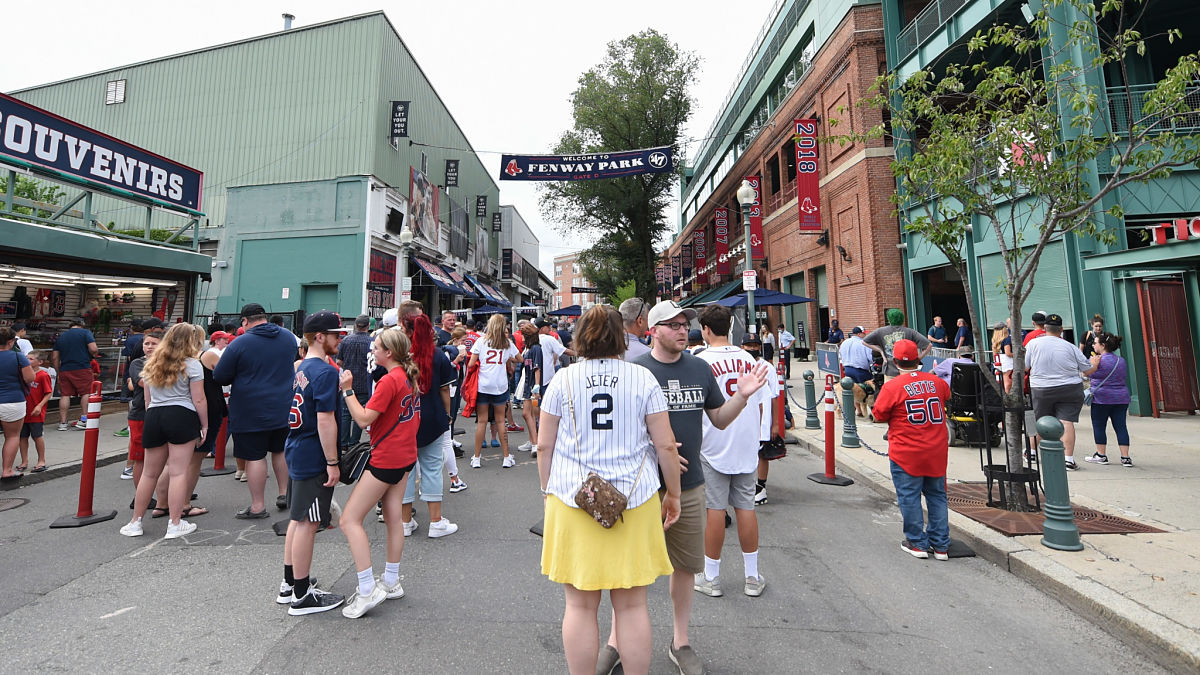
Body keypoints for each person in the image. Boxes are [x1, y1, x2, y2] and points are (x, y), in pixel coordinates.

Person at [591, 299, 768, 675]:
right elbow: (619, 430)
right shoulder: (636, 371)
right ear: (652, 330)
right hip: (641, 488)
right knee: (629, 569)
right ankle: (616, 641)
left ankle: (680, 641)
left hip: (689, 486)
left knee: (685, 567)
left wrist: (741, 396)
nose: (682, 330)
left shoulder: (700, 368)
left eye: (685, 324)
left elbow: (718, 419)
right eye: (672, 325)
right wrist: (661, 453)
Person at [536, 305, 682, 675]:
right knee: (631, 606)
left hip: (574, 497)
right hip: (634, 499)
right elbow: (666, 446)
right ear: (621, 337)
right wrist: (674, 494)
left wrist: (547, 490)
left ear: (579, 337)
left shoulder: (563, 380)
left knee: (579, 605)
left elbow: (544, 445)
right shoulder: (643, 379)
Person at [339, 327, 422, 619]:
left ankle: (367, 588)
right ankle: (391, 580)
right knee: (393, 518)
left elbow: (363, 419)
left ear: (389, 352)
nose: (372, 351)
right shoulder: (408, 376)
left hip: (387, 457)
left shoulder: (390, 380)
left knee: (349, 520)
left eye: (376, 347)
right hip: (405, 455)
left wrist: (348, 390)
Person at [693, 304, 773, 600]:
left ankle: (711, 576)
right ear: (729, 327)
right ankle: (751, 576)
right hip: (745, 443)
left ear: (705, 329)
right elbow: (761, 404)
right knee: (746, 508)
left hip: (713, 442)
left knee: (715, 510)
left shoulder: (700, 361)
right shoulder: (749, 359)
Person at [278, 310, 347, 615]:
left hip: (296, 446)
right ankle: (302, 594)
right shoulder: (326, 371)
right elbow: (325, 419)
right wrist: (332, 462)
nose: (339, 340)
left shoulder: (302, 365)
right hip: (312, 451)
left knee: (298, 518)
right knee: (309, 522)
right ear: (319, 337)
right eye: (335, 335)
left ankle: (290, 582)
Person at [120, 323, 207, 539]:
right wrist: (204, 425)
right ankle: (175, 523)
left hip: (154, 416)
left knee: (149, 473)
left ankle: (135, 521)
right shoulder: (192, 365)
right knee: (178, 472)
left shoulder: (152, 363)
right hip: (182, 414)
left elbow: (147, 400)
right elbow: (198, 399)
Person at [213, 303, 299, 519]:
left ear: (244, 321)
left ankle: (258, 506)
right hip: (283, 405)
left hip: (250, 409)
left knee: (255, 457)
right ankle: (284, 494)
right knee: (280, 451)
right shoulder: (288, 337)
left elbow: (220, 376)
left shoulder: (240, 343)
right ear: (264, 317)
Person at [872, 339, 952, 560]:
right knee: (937, 496)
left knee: (909, 496)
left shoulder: (892, 386)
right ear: (918, 359)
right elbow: (946, 396)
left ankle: (917, 542)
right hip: (936, 449)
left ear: (895, 362)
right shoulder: (936, 382)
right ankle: (941, 545)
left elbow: (878, 414)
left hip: (906, 450)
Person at [397, 313, 458, 538]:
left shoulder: (400, 356)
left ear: (408, 331)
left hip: (404, 418)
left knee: (405, 471)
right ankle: (436, 522)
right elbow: (445, 389)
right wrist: (448, 414)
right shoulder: (438, 355)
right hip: (432, 417)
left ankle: (405, 522)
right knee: (432, 468)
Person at [1025, 314, 1092, 471]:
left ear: (1045, 328)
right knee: (1067, 422)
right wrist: (1094, 364)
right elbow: (1087, 369)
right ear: (1061, 329)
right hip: (1070, 387)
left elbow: (1025, 367)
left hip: (1041, 387)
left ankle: (1031, 452)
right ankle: (1068, 459)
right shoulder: (1070, 346)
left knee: (1038, 420)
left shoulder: (1033, 344)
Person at [468, 314, 520, 468]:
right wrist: (507, 358)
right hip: (500, 385)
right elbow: (520, 359)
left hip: (483, 385)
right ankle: (506, 457)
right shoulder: (507, 343)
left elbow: (471, 363)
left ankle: (477, 458)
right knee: (500, 420)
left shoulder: (481, 341)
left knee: (482, 421)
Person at [1083, 332, 1133, 467]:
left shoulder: (1097, 361)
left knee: (1099, 426)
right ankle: (1125, 457)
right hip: (1121, 397)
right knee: (1121, 426)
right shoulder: (1121, 361)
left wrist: (1092, 364)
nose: (1093, 345)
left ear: (1103, 345)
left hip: (1101, 398)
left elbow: (1086, 374)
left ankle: (1101, 455)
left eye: (1095, 343)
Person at [124, 330, 161, 506]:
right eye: (147, 343)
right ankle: (141, 496)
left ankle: (166, 493)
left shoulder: (168, 362)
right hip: (140, 414)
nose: (149, 347)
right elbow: (142, 382)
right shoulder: (137, 363)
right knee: (140, 457)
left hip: (162, 413)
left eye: (154, 343)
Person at [52, 319, 99, 432]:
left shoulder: (61, 337)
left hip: (65, 369)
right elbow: (94, 349)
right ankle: (84, 419)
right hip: (82, 367)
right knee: (86, 393)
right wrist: (93, 355)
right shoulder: (86, 333)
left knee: (65, 395)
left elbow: (54, 357)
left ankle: (63, 423)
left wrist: (58, 371)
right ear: (81, 325)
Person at [1, 327, 35, 480]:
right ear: (10, 342)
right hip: (13, 401)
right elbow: (29, 378)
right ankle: (7, 470)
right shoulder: (18, 357)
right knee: (12, 436)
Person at [863, 310, 931, 381]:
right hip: (908, 371)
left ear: (889, 319)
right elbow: (929, 345)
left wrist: (881, 351)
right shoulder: (910, 331)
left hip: (890, 371)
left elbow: (865, 342)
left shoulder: (881, 331)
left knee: (890, 387)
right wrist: (917, 359)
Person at [337, 315, 373, 449]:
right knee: (361, 411)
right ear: (368, 326)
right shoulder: (372, 341)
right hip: (364, 382)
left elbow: (339, 361)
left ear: (355, 325)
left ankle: (343, 442)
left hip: (348, 381)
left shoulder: (346, 340)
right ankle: (354, 442)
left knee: (345, 413)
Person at [18, 350, 53, 473]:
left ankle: (41, 460)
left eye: (31, 359)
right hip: (23, 411)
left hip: (36, 412)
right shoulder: (23, 374)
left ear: (40, 362)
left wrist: (39, 406)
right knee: (22, 437)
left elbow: (48, 393)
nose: (27, 360)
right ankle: (24, 461)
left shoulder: (43, 375)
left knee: (37, 436)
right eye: (26, 358)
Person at [517, 322, 542, 456]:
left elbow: (537, 368)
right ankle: (534, 442)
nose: (521, 337)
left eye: (523, 335)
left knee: (529, 413)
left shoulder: (535, 348)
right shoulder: (529, 348)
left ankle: (535, 443)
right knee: (528, 413)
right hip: (528, 384)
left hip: (532, 385)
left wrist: (536, 386)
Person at [991, 322, 1014, 392]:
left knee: (1002, 383)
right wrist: (1017, 355)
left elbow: (994, 354)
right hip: (1008, 362)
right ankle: (1008, 397)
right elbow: (1008, 353)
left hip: (999, 361)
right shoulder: (1007, 339)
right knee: (1008, 383)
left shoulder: (994, 341)